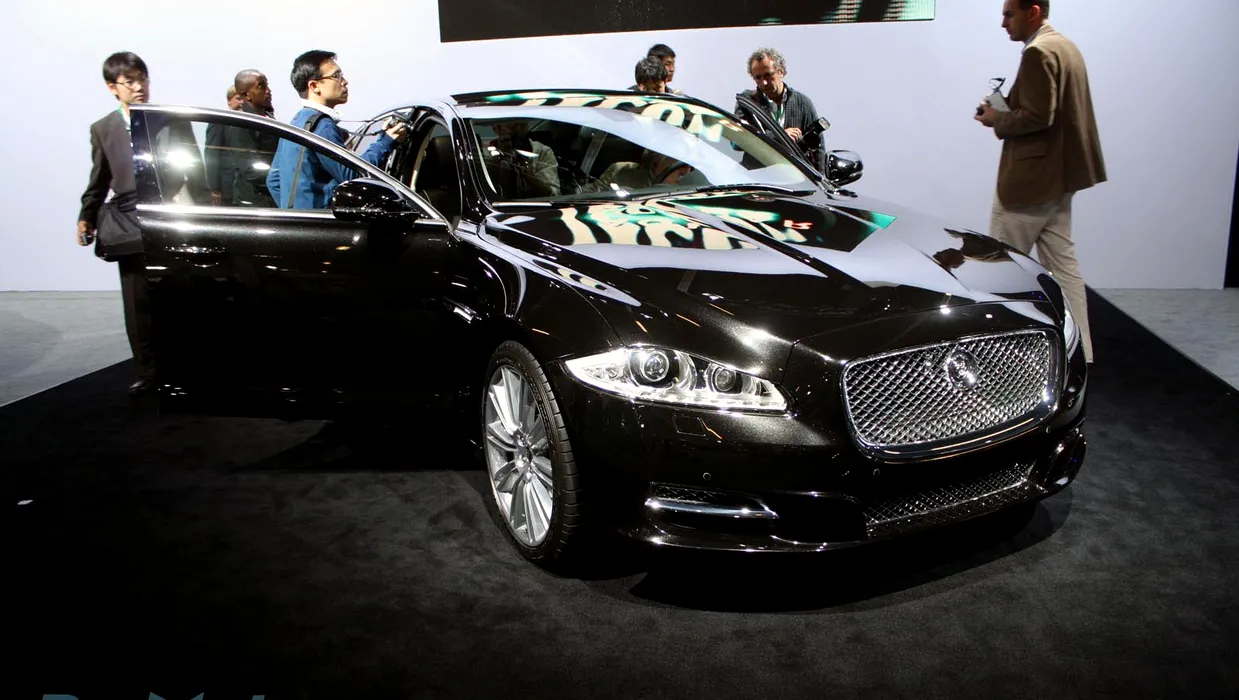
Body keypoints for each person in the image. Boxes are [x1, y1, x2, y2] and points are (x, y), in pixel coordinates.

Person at [975, 0, 1106, 363]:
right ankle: (1083, 354)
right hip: (1059, 178)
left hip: (1030, 181)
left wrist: (996, 119)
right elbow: (1052, 111)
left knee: (1001, 269)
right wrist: (1006, 107)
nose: (1003, 23)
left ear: (1033, 11)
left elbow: (1038, 117)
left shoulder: (1038, 53)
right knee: (1064, 268)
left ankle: (999, 358)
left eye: (1009, 14)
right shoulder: (1065, 47)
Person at [75, 51, 156, 396]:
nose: (139, 87)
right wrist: (86, 216)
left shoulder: (166, 119)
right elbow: (99, 179)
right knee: (137, 302)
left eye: (143, 79)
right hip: (129, 221)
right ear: (113, 87)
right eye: (130, 82)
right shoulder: (103, 129)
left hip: (169, 217)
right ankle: (148, 371)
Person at [266, 50, 409, 209]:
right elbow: (353, 176)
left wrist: (296, 209)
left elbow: (273, 181)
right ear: (314, 86)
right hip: (320, 222)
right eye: (336, 76)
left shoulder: (296, 122)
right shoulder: (322, 125)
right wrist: (385, 143)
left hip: (298, 220)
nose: (345, 81)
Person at [734, 47, 826, 172]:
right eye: (758, 77)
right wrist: (780, 136)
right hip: (757, 177)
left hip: (794, 178)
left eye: (768, 75)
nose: (764, 82)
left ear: (781, 72)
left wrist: (820, 180)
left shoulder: (802, 103)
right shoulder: (747, 101)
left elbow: (818, 150)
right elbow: (738, 141)